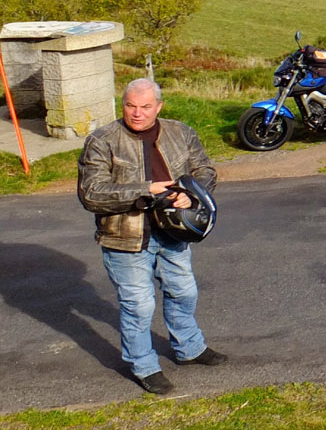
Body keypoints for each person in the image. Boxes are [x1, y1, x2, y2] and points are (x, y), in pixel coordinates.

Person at [77, 78, 226, 394]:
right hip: (125, 238)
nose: (137, 113)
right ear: (124, 105)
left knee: (184, 291)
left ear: (158, 106)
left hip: (175, 231)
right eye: (130, 105)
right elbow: (91, 194)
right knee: (139, 306)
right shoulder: (102, 140)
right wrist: (145, 190)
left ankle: (189, 348)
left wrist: (190, 194)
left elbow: (205, 171)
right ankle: (143, 365)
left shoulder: (181, 132)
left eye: (145, 107)